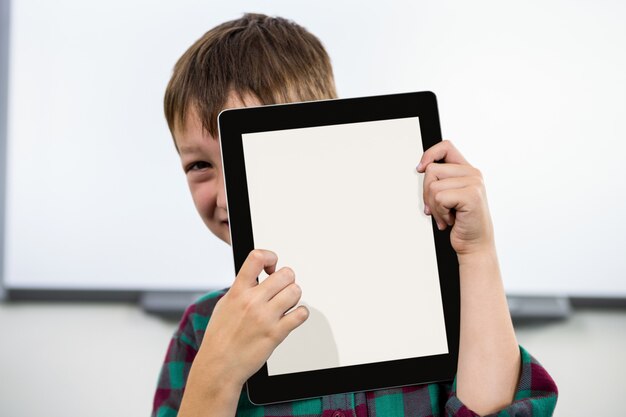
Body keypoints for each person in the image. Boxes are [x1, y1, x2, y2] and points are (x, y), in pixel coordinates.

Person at [152, 13, 558, 417]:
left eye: (245, 157)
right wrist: (217, 372)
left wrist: (477, 252)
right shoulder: (201, 331)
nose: (225, 197)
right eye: (199, 166)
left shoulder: (437, 307)